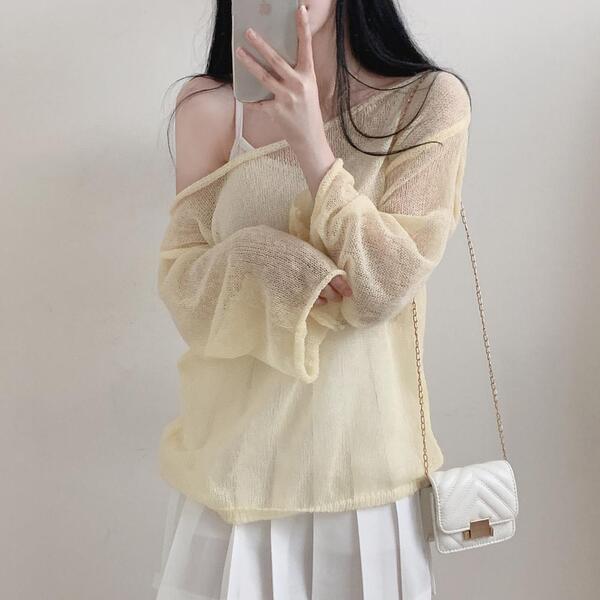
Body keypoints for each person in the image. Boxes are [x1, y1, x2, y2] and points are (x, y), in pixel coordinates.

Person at [153, 1, 472, 598]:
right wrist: (266, 260)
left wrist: (311, 143)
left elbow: (382, 286)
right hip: (229, 479)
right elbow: (185, 294)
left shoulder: (427, 102)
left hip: (366, 483)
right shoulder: (208, 107)